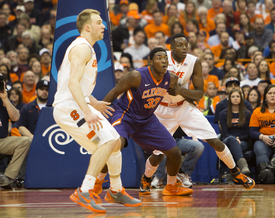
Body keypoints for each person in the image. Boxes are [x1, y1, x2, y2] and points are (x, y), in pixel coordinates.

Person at [52, 9, 141, 213]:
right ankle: (84, 191)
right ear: (88, 27)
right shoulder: (82, 48)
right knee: (107, 142)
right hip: (70, 108)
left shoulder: (87, 48)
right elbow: (72, 84)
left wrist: (94, 102)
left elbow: (76, 85)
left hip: (79, 103)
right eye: (99, 22)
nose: (104, 26)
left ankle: (116, 191)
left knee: (115, 142)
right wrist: (87, 110)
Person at [148, 33, 255, 190]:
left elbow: (198, 93)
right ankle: (149, 178)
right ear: (171, 47)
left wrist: (180, 90)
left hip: (184, 107)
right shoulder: (162, 58)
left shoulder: (194, 61)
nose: (184, 48)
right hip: (163, 109)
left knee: (214, 140)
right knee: (158, 152)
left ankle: (236, 172)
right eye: (180, 45)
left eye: (186, 45)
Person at [99, 47, 193, 196]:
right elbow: (115, 92)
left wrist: (187, 97)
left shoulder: (171, 79)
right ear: (150, 62)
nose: (163, 61)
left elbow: (178, 91)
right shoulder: (136, 76)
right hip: (126, 115)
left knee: (174, 152)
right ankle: (97, 183)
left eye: (165, 59)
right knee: (115, 145)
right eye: (159, 58)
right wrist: (99, 113)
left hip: (147, 120)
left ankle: (171, 186)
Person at [0, 75, 32, 186]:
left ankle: (8, 177)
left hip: (2, 141)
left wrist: (5, 99)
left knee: (25, 141)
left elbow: (16, 117)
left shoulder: (4, 100)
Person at [219, 89, 252, 175]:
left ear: (241, 98)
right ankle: (243, 166)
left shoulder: (247, 114)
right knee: (231, 140)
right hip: (227, 140)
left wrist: (238, 139)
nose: (235, 98)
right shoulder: (223, 114)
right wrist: (234, 139)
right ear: (229, 99)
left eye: (238, 96)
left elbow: (248, 134)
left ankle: (230, 175)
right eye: (233, 96)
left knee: (233, 148)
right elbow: (225, 133)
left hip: (243, 141)